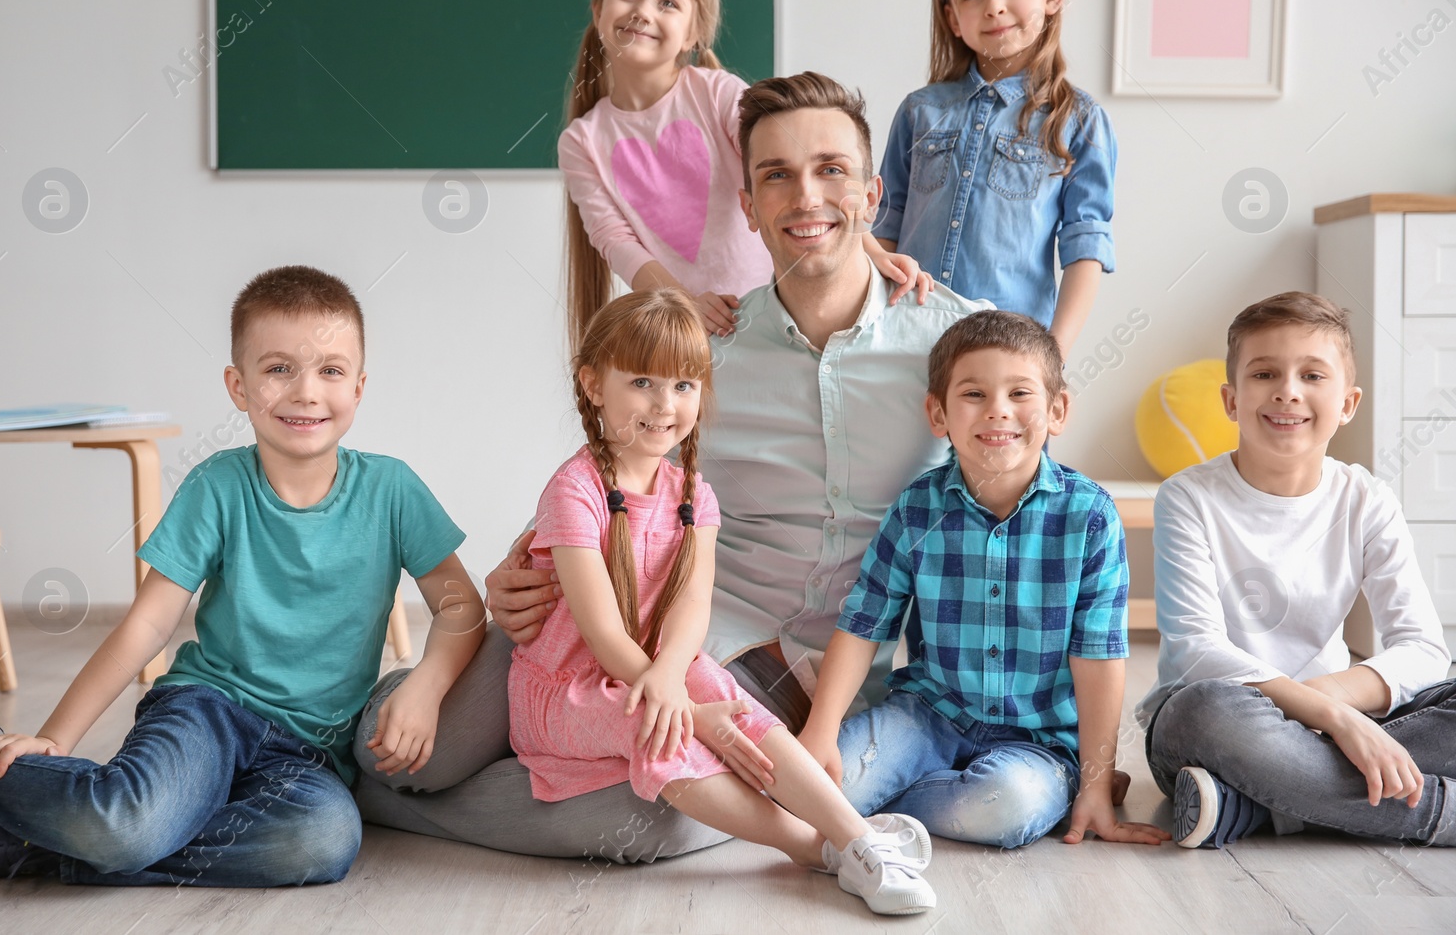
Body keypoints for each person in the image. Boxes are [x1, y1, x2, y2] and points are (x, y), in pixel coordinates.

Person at [356, 72, 990, 865]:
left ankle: (372, 804)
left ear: (872, 192)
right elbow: (604, 480)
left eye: (830, 170)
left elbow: (1024, 510)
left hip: (789, 672)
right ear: (749, 208)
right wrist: (515, 568)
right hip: (610, 624)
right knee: (423, 748)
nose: (806, 196)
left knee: (650, 819)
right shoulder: (705, 351)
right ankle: (358, 748)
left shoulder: (959, 346)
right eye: (776, 176)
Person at [0, 266, 486, 886]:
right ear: (238, 387)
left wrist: (426, 686)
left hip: (309, 752)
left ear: (359, 387)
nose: (305, 392)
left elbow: (461, 603)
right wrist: (55, 737)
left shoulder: (393, 489)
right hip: (207, 712)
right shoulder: (218, 484)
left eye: (330, 370)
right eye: (277, 369)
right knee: (132, 821)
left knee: (319, 844)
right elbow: (148, 622)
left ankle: (28, 848)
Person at [511, 287, 934, 915]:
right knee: (656, 725)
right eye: (643, 382)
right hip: (570, 685)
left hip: (658, 668)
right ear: (594, 384)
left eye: (684, 385)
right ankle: (812, 848)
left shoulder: (693, 493)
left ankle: (859, 837)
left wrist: (678, 681)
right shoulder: (575, 491)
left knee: (731, 699)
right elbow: (600, 632)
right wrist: (673, 699)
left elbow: (690, 609)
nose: (665, 404)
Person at [801, 310, 1168, 849]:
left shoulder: (1088, 515)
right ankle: (877, 800)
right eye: (974, 394)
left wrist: (1093, 780)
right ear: (938, 412)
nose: (998, 411)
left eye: (1020, 393)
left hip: (1038, 740)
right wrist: (819, 732)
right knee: (816, 785)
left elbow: (1100, 657)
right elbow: (864, 625)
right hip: (929, 716)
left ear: (1057, 409)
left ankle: (1053, 788)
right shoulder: (916, 509)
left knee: (1006, 808)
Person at [1140, 292, 1455, 848]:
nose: (1288, 390)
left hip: (1337, 717)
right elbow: (1196, 652)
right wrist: (1336, 722)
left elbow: (1425, 650)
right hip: (1222, 725)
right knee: (1206, 707)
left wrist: (1327, 707)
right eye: (1265, 373)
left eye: (1312, 375)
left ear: (1348, 402)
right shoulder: (1187, 498)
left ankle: (1256, 804)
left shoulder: (1366, 499)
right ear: (1231, 400)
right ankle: (1435, 811)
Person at [561, 0, 926, 345]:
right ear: (597, 7)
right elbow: (617, 241)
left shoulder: (715, 93)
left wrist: (873, 253)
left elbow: (793, 166)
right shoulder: (581, 142)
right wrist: (685, 302)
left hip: (779, 309)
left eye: (667, 1)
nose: (643, 11)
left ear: (694, 32)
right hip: (696, 329)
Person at [874, 0, 1116, 358]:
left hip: (1012, 353)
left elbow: (1086, 245)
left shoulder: (1078, 120)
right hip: (907, 341)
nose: (994, 6)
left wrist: (1053, 356)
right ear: (952, 18)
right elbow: (885, 226)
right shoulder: (919, 112)